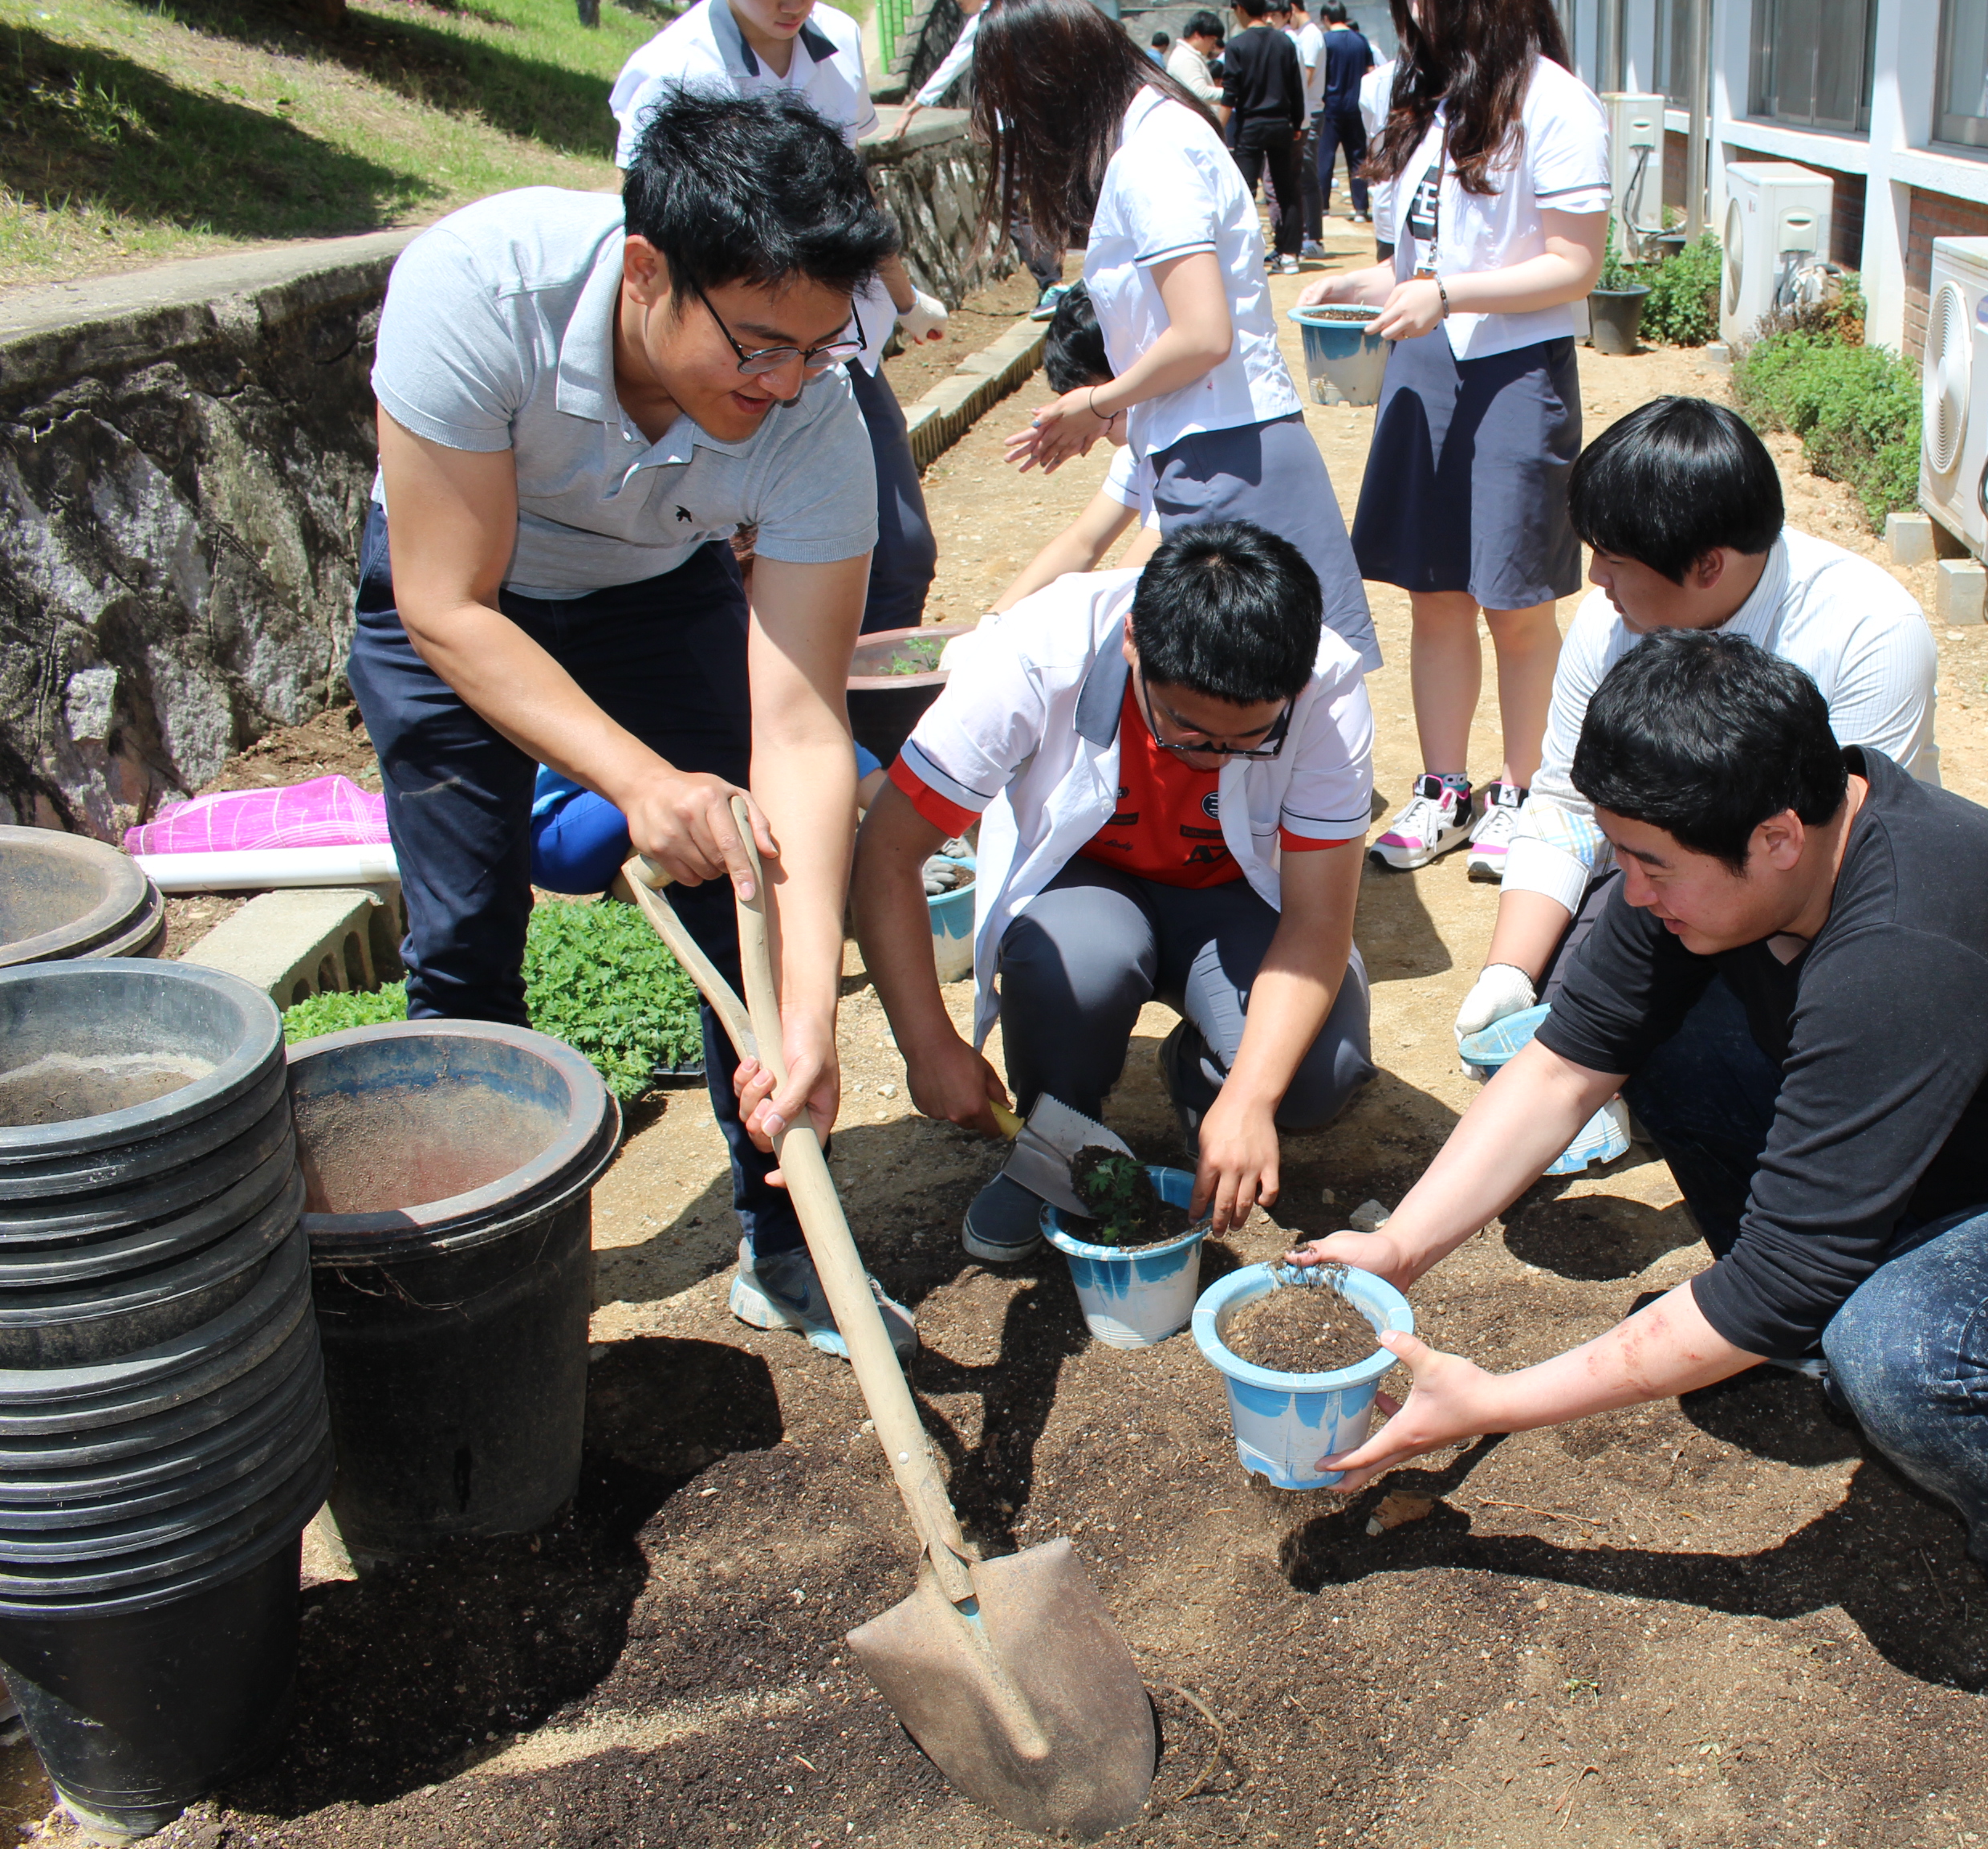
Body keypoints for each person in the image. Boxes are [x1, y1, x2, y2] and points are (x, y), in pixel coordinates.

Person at [1292, 631, 1988, 1817]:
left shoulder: (1910, 939)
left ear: (1778, 837)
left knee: (1902, 1352)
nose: (1630, 893)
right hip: (1952, 1160)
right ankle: (1836, 1312)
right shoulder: (1728, 854)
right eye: (1619, 856)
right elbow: (1559, 1070)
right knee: (1677, 1054)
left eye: (1650, 865)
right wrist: (1400, 1249)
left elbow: (1772, 1285)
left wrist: (1494, 1401)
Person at [354, 90, 918, 1360]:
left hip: (652, 589)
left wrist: (810, 1015)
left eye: (816, 349)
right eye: (757, 344)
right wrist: (639, 779)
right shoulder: (477, 292)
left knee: (744, 881)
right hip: (461, 592)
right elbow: (445, 603)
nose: (782, 384)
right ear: (649, 270)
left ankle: (784, 1250)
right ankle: (473, 1293)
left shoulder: (815, 410)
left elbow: (805, 731)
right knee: (465, 939)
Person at [854, 522, 1377, 1259]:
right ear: (1133, 641)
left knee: (1318, 1073)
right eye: (1187, 733)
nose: (1212, 760)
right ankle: (1050, 1144)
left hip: (1231, 897)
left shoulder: (1325, 684)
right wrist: (928, 1043)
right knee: (1073, 964)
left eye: (1249, 740)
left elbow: (1319, 920)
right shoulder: (1034, 654)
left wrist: (1249, 1099)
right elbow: (886, 850)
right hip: (1089, 885)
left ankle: (1204, 1091)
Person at [1457, 399, 1941, 1128]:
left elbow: (1832, 861)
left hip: (1809, 907)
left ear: (1708, 565)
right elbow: (1564, 805)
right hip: (1662, 883)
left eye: (1614, 560)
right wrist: (1509, 973)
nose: (1595, 579)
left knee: (1724, 1053)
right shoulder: (1611, 621)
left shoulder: (1870, 632)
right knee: (1563, 1019)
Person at [974, 0, 1378, 669]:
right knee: (1265, 684)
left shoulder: (1152, 157)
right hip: (1219, 444)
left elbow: (1200, 335)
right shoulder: (1160, 141)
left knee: (1252, 684)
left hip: (1225, 452)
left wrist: (1099, 404)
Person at [1300, 0, 1607, 879]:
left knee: (1515, 599)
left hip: (1514, 365)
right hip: (1426, 361)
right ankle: (1446, 792)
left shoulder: (1553, 102)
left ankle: (1522, 792)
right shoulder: (1426, 100)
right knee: (1432, 593)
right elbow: (1421, 254)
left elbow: (1576, 262)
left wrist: (1451, 292)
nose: (1420, 11)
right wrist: (1366, 283)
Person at [610, 0, 953, 638]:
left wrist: (902, 299)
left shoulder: (841, 40)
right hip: (730, 356)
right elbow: (654, 224)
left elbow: (850, 191)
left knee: (902, 553)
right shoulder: (672, 70)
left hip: (828, 348)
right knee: (731, 565)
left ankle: (862, 712)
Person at [985, 286, 1168, 613]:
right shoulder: (1138, 448)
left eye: (1083, 400)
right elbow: (1083, 542)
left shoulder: (1184, 454)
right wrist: (993, 622)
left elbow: (1127, 591)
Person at [1218, 0, 1311, 274]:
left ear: (1242, 10)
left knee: (1245, 191)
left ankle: (1246, 256)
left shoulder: (1236, 45)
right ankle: (1290, 253)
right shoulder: (1284, 42)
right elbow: (1296, 86)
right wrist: (1296, 121)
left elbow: (1230, 92)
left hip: (1250, 126)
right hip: (1281, 124)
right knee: (1287, 190)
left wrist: (1218, 128)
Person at [1310, 3, 1374, 249]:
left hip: (1330, 106)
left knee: (1324, 158)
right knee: (1358, 158)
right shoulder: (1360, 41)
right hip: (1356, 106)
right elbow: (1370, 72)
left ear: (1326, 17)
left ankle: (1324, 207)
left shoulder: (1325, 41)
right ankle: (1360, 208)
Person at [1287, 2, 1328, 255]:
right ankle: (1307, 234)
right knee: (1302, 174)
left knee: (1308, 175)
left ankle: (1314, 238)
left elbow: (1307, 76)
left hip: (1310, 111)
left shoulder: (1311, 35)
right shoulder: (1304, 34)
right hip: (1306, 111)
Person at [1166, 10, 1228, 111]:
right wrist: (1233, 94)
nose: (1213, 45)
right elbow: (1200, 93)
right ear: (1197, 35)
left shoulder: (1189, 55)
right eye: (1212, 39)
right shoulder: (1185, 58)